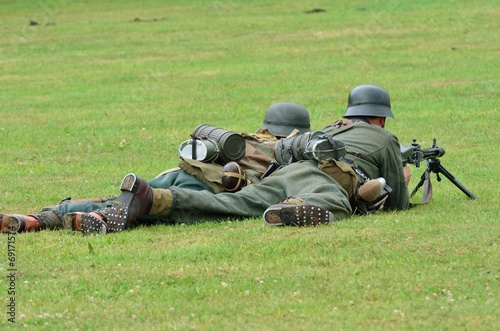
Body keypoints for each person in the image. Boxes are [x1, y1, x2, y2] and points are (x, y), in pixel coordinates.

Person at [77, 84, 411, 234]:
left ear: (350, 114)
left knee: (233, 206)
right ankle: (292, 208)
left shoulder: (329, 130)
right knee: (334, 200)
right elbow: (397, 203)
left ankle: (153, 199)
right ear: (380, 118)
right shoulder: (383, 137)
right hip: (327, 177)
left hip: (283, 172)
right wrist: (406, 180)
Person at [1, 102, 312, 233]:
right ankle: (95, 219)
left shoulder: (244, 138)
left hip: (182, 169)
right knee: (141, 208)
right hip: (208, 186)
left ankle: (39, 217)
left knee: (119, 198)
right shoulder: (286, 151)